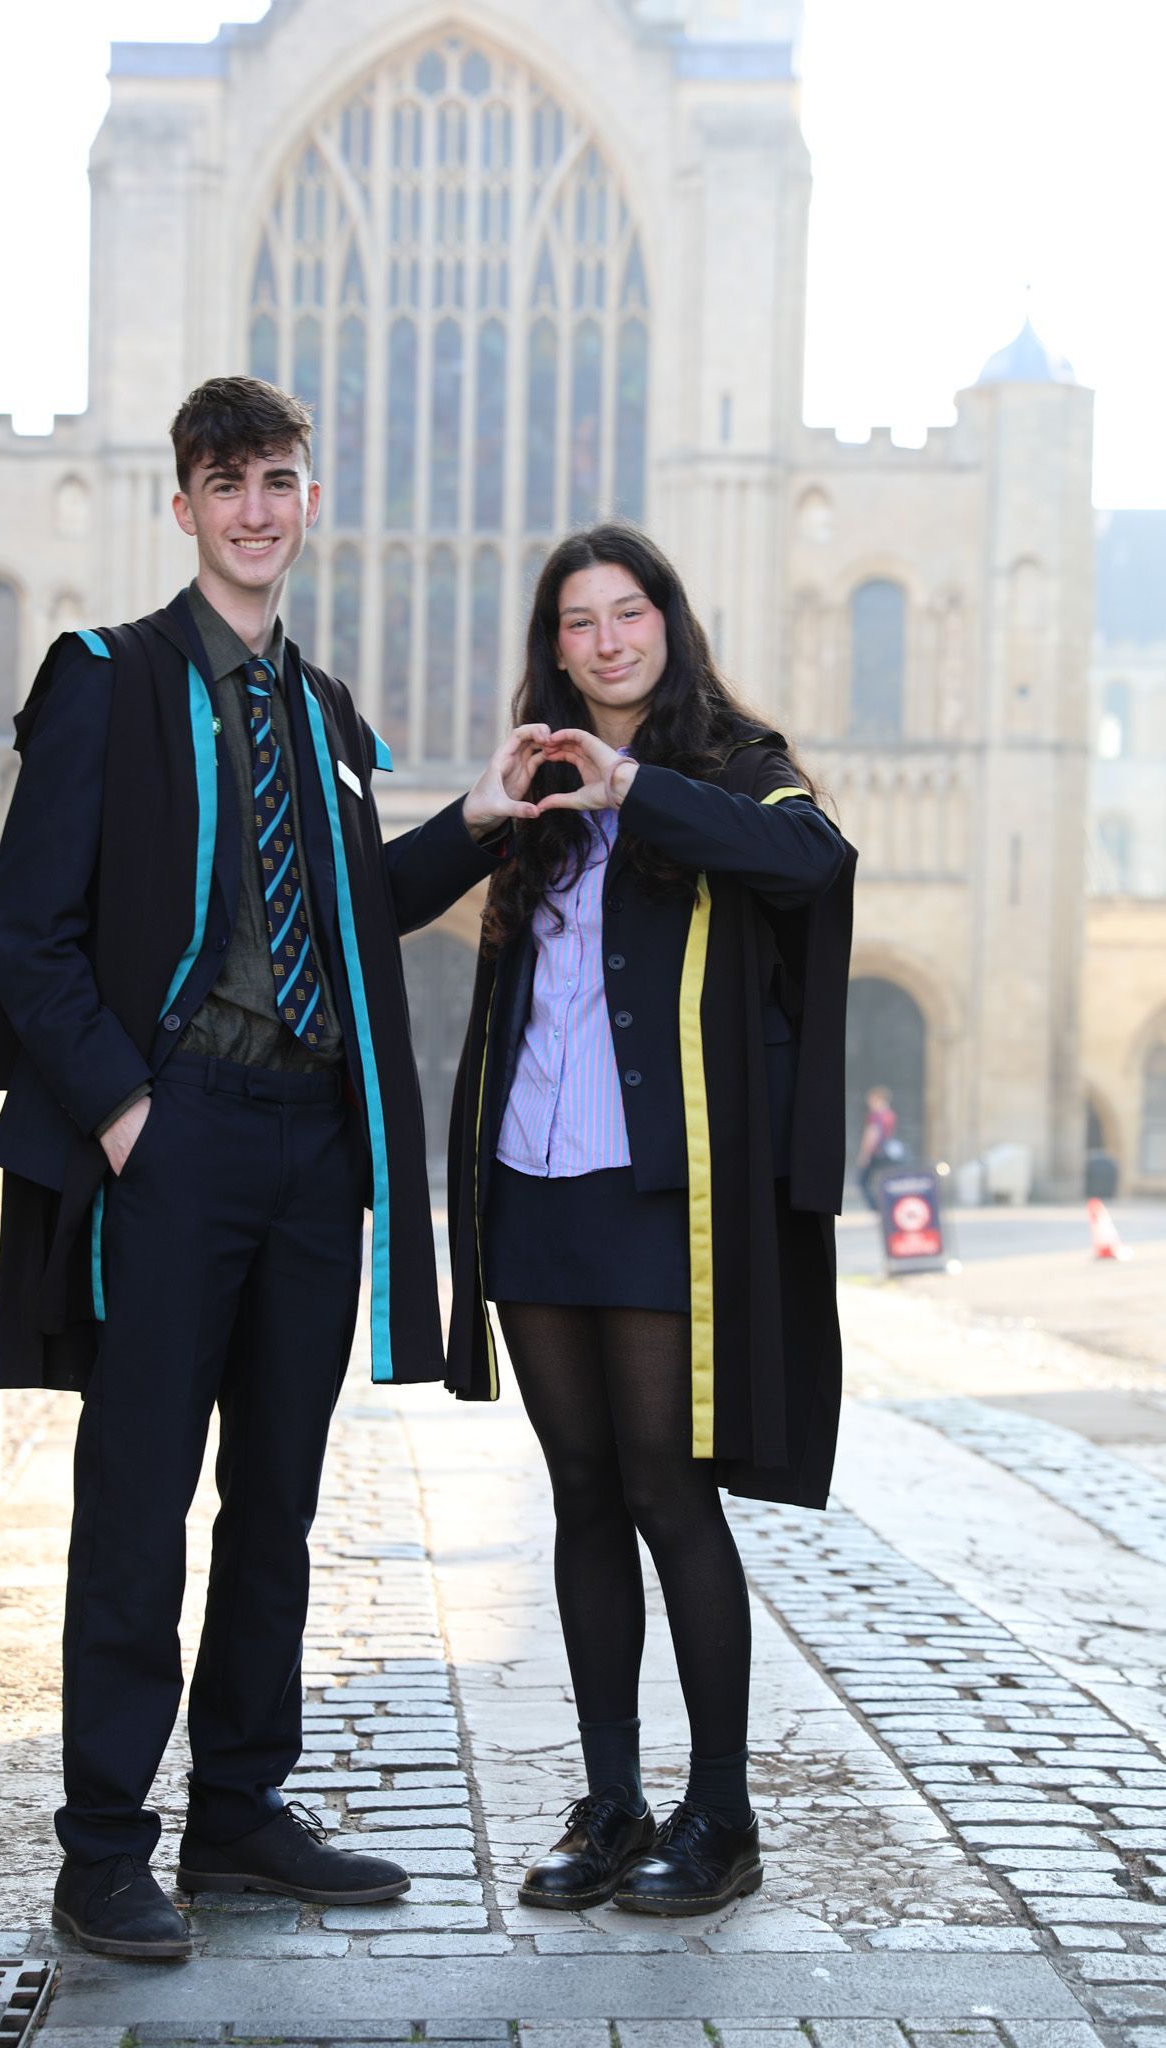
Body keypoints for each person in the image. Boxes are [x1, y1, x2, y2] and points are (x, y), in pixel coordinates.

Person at [0, 375, 543, 1960]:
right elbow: (29, 935)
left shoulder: (327, 712)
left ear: (306, 499)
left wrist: (480, 820)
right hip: (180, 1132)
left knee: (278, 1501)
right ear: (184, 507)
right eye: (222, 483)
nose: (252, 508)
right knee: (138, 1497)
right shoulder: (107, 679)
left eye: (277, 480)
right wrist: (124, 1115)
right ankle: (104, 1845)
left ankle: (236, 1810)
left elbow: (353, 914)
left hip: (312, 1151)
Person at [445, 525, 855, 1918]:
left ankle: (720, 1815)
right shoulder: (536, 771)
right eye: (581, 621)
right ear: (552, 644)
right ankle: (612, 1800)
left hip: (656, 1191)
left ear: (668, 622)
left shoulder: (737, 763)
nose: (609, 640)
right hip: (534, 1175)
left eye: (630, 613)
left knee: (666, 1491)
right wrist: (505, 805)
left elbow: (812, 866)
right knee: (577, 1495)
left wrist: (640, 790)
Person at [857, 1084, 900, 1210]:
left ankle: (875, 1206)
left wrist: (864, 1154)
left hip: (876, 1152)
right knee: (884, 1179)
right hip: (886, 1153)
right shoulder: (889, 1114)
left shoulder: (876, 1116)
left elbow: (871, 1135)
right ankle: (885, 1203)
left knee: (862, 1181)